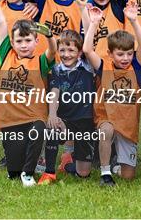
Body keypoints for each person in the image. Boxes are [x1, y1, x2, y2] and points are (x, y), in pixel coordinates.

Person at [0, 0, 56, 187]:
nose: (24, 45)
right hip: (9, 117)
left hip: (33, 116)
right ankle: (19, 171)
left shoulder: (40, 61)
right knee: (12, 171)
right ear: (12, 42)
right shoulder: (6, 53)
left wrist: (49, 36)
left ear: (35, 42)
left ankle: (28, 173)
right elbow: (0, 20)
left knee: (39, 128)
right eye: (19, 41)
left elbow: (52, 51)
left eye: (28, 40)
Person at [83, 2, 141, 186]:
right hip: (107, 118)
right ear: (110, 54)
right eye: (120, 54)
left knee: (128, 176)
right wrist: (94, 23)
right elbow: (87, 50)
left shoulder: (136, 68)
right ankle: (105, 173)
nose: (125, 58)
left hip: (127, 123)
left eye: (128, 54)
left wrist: (134, 21)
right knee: (106, 130)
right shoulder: (104, 66)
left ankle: (118, 164)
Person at [38, 30, 97, 185]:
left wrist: (92, 22)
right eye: (62, 50)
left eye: (71, 50)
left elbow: (88, 48)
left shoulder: (88, 67)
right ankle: (49, 173)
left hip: (85, 122)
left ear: (79, 53)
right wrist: (52, 114)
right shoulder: (56, 70)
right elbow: (54, 93)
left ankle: (68, 165)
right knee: (52, 128)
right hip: (65, 121)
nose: (66, 54)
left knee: (83, 174)